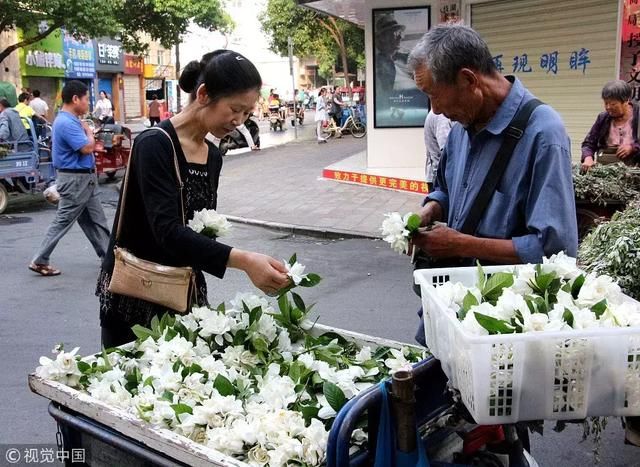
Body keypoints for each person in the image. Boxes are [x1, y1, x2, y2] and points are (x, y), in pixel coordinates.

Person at [97, 50, 290, 348]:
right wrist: (246, 261)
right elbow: (168, 232)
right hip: (137, 298)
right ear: (203, 94)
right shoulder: (154, 145)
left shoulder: (213, 155)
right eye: (235, 109)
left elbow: (197, 228)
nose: (239, 121)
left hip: (183, 292)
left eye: (247, 113)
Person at [408, 24, 577, 340]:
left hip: (504, 325)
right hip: (452, 305)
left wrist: (460, 244)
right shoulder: (461, 127)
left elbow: (554, 250)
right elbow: (445, 187)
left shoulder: (543, 134)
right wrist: (432, 208)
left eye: (433, 94)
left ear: (469, 80)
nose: (436, 110)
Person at [29, 80, 111, 277]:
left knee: (95, 220)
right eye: (85, 99)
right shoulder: (66, 122)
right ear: (75, 99)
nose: (88, 104)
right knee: (63, 220)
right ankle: (40, 259)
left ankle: (110, 258)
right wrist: (90, 133)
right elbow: (86, 148)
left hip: (84, 180)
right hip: (75, 181)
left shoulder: (71, 120)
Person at [581, 80, 640, 171]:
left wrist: (633, 147)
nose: (608, 107)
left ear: (626, 101)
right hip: (606, 170)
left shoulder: (638, 115)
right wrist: (588, 157)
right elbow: (588, 144)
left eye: (613, 104)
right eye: (606, 103)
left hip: (633, 171)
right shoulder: (603, 118)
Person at [423, 110, 452, 192]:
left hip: (437, 176)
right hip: (441, 179)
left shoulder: (439, 115)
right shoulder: (441, 117)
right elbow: (447, 151)